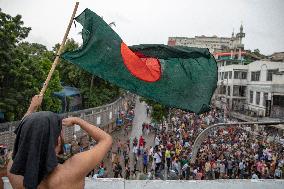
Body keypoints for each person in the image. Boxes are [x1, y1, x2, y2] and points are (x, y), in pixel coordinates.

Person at [7, 95, 113, 189]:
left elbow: (22, 139)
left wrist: (31, 108)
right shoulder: (71, 171)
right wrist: (78, 121)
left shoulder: (14, 171)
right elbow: (106, 140)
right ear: (57, 140)